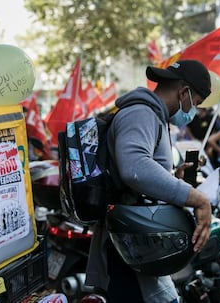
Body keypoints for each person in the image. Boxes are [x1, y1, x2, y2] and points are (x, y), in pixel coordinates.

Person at [85, 60, 212, 303]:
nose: (193, 110)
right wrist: (199, 199)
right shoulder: (140, 113)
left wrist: (173, 178)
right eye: (195, 103)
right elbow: (135, 170)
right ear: (184, 91)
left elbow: (139, 177)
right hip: (130, 242)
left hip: (141, 239)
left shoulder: (153, 115)